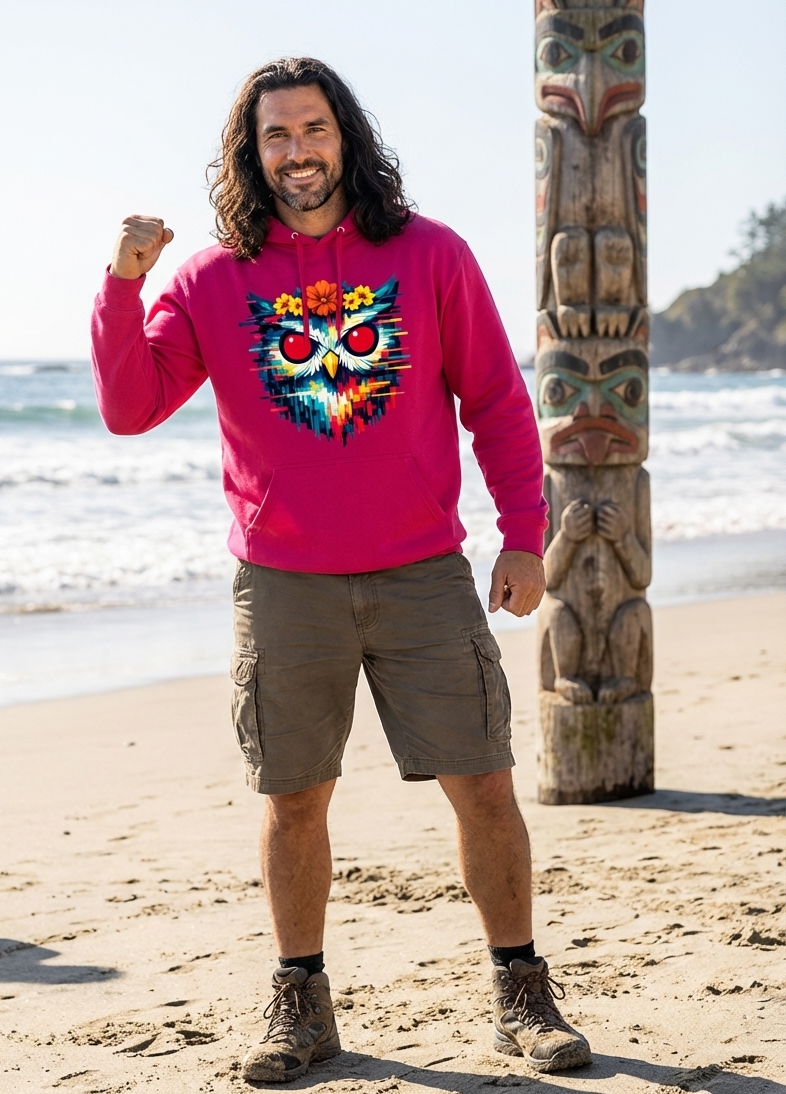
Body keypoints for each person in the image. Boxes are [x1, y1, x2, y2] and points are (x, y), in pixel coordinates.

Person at [91, 56, 592, 1083]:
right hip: (283, 583)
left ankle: (520, 991)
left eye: (313, 129)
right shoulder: (210, 278)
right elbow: (131, 406)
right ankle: (301, 1002)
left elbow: (496, 400)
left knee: (484, 784)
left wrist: (524, 534)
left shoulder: (430, 254)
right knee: (293, 799)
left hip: (422, 572)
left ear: (345, 138)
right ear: (252, 154)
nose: (297, 151)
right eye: (275, 135)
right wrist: (123, 284)